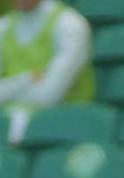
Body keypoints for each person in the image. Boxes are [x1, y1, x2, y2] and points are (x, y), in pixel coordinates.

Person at [0, 0, 93, 142]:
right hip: (11, 129)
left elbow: (49, 95)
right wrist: (27, 80)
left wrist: (10, 91)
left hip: (68, 131)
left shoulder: (70, 24)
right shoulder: (3, 27)